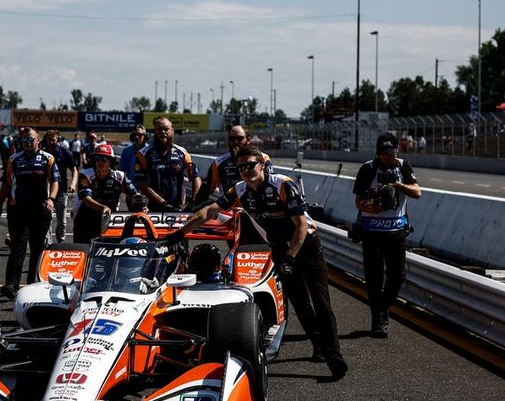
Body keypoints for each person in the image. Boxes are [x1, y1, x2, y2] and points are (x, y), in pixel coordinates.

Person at [172, 145, 348, 380]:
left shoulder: (283, 184)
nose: (246, 170)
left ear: (262, 166)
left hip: (305, 246)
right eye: (241, 167)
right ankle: (321, 347)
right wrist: (179, 233)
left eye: (251, 165)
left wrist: (290, 257)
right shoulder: (240, 190)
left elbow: (301, 226)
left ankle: (334, 355)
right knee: (300, 304)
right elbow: (209, 212)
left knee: (321, 301)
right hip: (278, 248)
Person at [353, 132, 422, 337]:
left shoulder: (403, 166)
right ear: (377, 153)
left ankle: (383, 308)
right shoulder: (368, 168)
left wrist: (398, 185)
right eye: (384, 154)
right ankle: (378, 319)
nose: (388, 157)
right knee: (374, 279)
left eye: (391, 153)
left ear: (397, 150)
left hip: (396, 231)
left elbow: (417, 192)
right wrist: (371, 205)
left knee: (398, 276)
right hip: (372, 231)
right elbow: (358, 200)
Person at [0, 127, 60, 299]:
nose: (28, 143)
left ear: (38, 140)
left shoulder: (48, 159)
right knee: (18, 247)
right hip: (18, 209)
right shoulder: (14, 159)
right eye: (24, 141)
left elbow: (55, 181)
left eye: (31, 140)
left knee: (38, 249)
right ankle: (11, 285)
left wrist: (51, 199)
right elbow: (7, 184)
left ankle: (33, 284)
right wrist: (0, 205)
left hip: (40, 209)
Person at [72, 143, 139, 243]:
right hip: (84, 220)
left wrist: (141, 205)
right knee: (82, 252)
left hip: (108, 220)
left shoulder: (119, 177)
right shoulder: (85, 174)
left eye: (104, 159)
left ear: (111, 161)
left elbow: (134, 195)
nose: (100, 162)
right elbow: (86, 199)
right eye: (98, 159)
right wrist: (102, 208)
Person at [134, 117, 201, 211]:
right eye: (160, 129)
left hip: (178, 209)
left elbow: (196, 177)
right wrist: (163, 203)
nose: (163, 132)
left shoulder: (182, 153)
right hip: (154, 209)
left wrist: (194, 201)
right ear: (155, 131)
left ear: (172, 131)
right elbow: (141, 183)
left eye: (166, 129)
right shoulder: (143, 154)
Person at [195, 125, 273, 203]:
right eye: (232, 139)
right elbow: (205, 189)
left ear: (248, 139)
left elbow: (270, 186)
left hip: (257, 208)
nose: (235, 142)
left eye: (239, 138)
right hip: (230, 210)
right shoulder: (219, 162)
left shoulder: (263, 158)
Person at [41, 129, 77, 243]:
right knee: (47, 217)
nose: (51, 142)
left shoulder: (65, 152)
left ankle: (60, 241)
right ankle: (47, 242)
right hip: (47, 191)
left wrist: (73, 183)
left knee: (61, 220)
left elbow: (74, 169)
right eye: (49, 140)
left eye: (54, 140)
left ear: (58, 140)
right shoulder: (42, 153)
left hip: (61, 190)